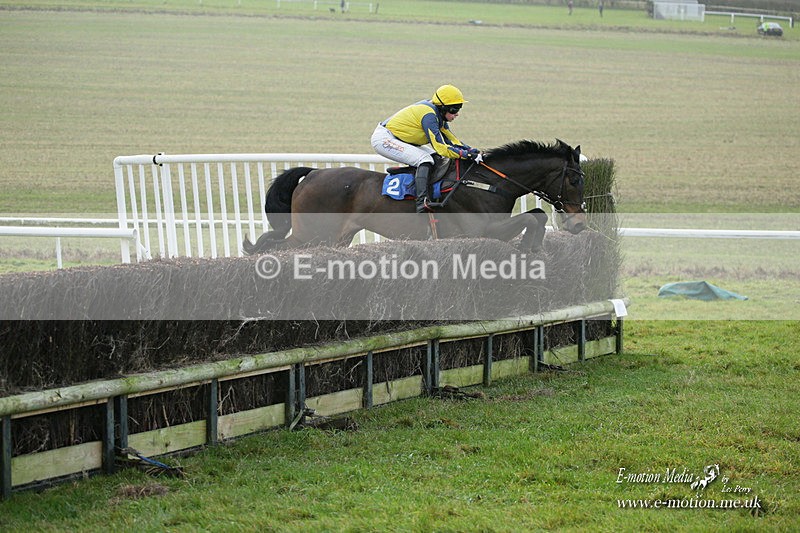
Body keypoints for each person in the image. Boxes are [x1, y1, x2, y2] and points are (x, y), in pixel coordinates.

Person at [371, 84, 480, 213]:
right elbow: (442, 148)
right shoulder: (429, 116)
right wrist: (466, 155)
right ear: (443, 107)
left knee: (436, 159)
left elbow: (451, 140)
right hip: (385, 138)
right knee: (425, 160)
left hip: (400, 138)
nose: (457, 114)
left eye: (459, 108)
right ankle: (421, 202)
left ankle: (431, 192)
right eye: (454, 109)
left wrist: (471, 150)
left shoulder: (438, 114)